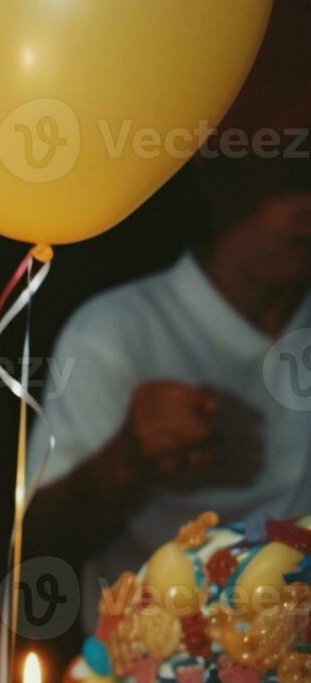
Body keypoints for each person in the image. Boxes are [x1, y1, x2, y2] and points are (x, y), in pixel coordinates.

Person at [25, 179, 311, 628]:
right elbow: (35, 547)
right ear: (220, 184)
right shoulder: (115, 330)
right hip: (150, 672)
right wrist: (128, 458)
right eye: (291, 179)